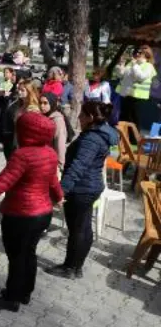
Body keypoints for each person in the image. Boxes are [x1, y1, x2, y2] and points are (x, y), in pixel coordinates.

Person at [0, 112, 64, 312]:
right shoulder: (50, 153)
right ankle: (24, 293)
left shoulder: (23, 155)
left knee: (16, 257)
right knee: (28, 253)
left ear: (27, 132)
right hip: (43, 215)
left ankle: (11, 298)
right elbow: (53, 181)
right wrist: (59, 197)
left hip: (21, 216)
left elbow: (2, 183)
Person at [46, 102, 118, 279]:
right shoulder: (99, 133)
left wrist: (60, 191)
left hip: (82, 189)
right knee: (84, 227)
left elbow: (78, 167)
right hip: (90, 187)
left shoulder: (92, 139)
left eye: (82, 115)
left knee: (78, 230)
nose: (78, 118)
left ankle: (70, 267)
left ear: (91, 118)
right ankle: (77, 267)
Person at [117, 46, 157, 128]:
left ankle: (134, 139)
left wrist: (135, 65)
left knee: (133, 119)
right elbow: (121, 76)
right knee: (123, 118)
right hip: (126, 95)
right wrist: (121, 65)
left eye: (140, 52)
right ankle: (123, 138)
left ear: (146, 55)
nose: (137, 54)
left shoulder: (148, 66)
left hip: (137, 97)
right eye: (136, 52)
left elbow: (141, 77)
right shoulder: (132, 63)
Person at [40, 92, 69, 174]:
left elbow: (60, 140)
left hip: (52, 162)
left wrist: (60, 163)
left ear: (52, 103)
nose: (42, 106)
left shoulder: (57, 120)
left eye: (45, 103)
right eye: (40, 103)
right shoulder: (44, 117)